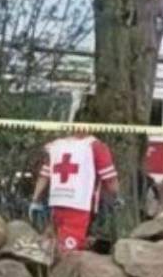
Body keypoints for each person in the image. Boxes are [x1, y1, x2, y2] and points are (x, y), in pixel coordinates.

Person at [29, 98, 121, 253]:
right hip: (79, 206)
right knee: (68, 252)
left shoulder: (57, 145)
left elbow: (44, 176)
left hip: (56, 204)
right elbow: (110, 180)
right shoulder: (96, 147)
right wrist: (117, 197)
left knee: (52, 247)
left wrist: (35, 200)